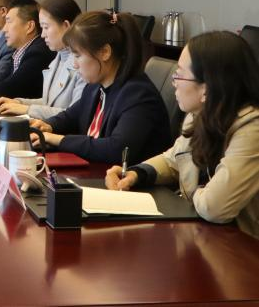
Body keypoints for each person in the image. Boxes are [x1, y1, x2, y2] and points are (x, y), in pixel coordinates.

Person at [105, 31, 259, 238]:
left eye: (179, 74)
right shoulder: (200, 115)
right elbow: (175, 159)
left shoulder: (252, 130)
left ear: (207, 89)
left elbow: (214, 207)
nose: (174, 82)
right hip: (203, 236)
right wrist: (137, 174)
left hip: (242, 247)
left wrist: (191, 192)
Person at [30, 11, 171, 164]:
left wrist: (59, 140)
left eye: (78, 56)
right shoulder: (95, 86)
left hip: (123, 177)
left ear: (105, 52)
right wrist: (48, 126)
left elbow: (117, 149)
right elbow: (72, 116)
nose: (75, 65)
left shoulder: (138, 95)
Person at [0, 0, 86, 118]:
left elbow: (74, 115)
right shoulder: (58, 58)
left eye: (46, 27)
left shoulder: (84, 65)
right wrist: (18, 102)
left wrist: (27, 109)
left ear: (66, 26)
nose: (42, 35)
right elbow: (49, 102)